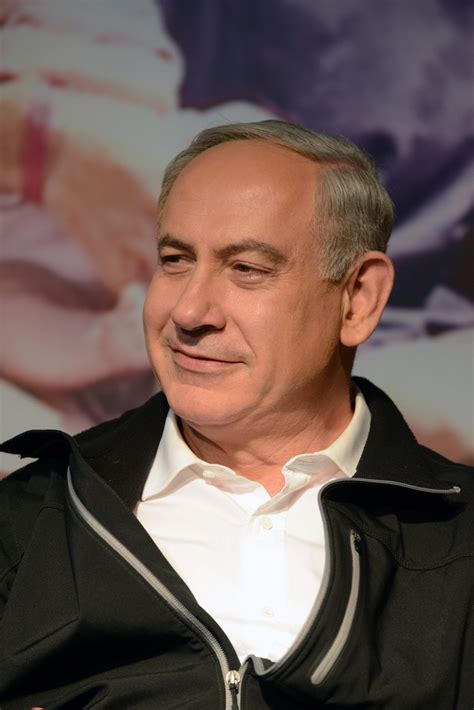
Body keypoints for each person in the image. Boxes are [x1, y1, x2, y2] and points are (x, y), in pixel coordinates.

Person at [0, 120, 472, 709]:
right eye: (175, 259)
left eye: (246, 268)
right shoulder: (29, 522)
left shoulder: (458, 541)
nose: (189, 310)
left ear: (358, 299)